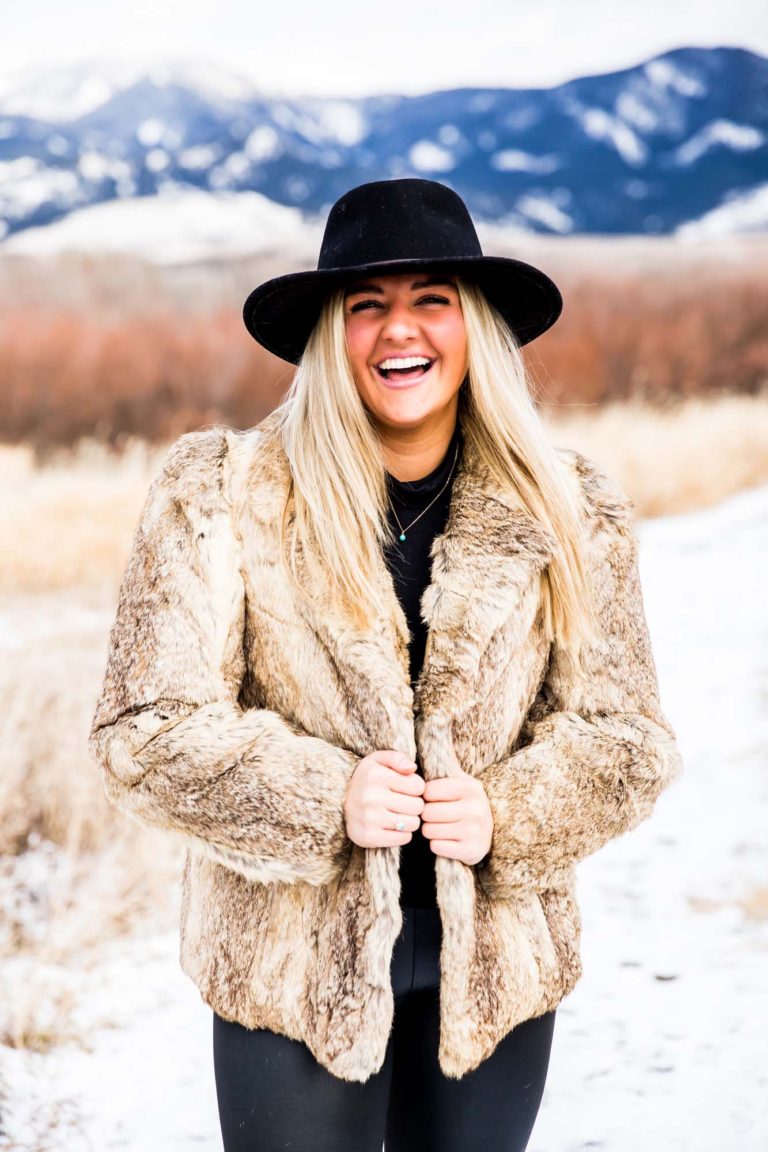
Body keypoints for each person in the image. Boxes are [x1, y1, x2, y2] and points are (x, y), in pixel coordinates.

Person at [88, 177, 683, 1152]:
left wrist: (508, 811)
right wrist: (324, 798)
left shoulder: (571, 507)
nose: (397, 331)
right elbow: (142, 730)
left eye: (430, 300)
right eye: (366, 306)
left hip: (493, 967)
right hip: (288, 968)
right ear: (331, 336)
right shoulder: (223, 494)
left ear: (474, 325)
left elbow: (627, 738)